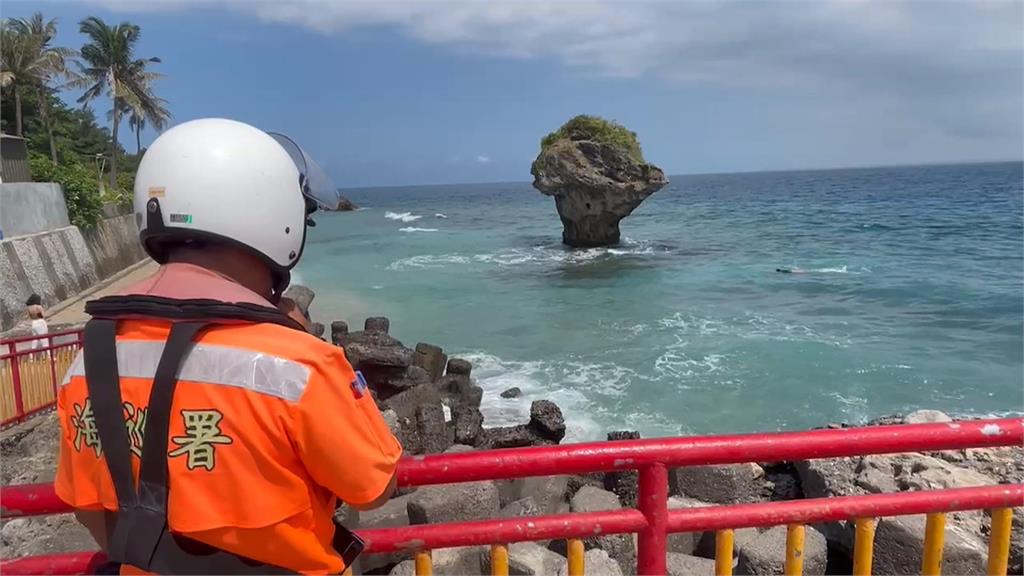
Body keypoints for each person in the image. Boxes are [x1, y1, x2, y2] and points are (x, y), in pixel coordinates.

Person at [54, 118, 402, 575]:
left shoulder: (90, 356)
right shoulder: (297, 363)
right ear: (274, 218)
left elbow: (88, 507)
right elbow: (374, 487)